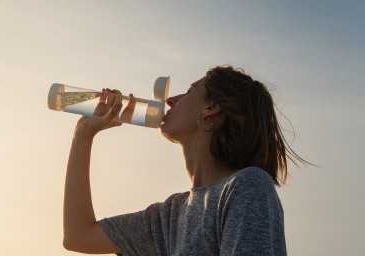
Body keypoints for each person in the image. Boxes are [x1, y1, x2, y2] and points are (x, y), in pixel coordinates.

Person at [62, 66, 311, 255]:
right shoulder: (172, 214)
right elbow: (79, 236)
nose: (170, 101)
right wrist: (84, 134)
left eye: (191, 91)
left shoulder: (247, 187)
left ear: (211, 107)